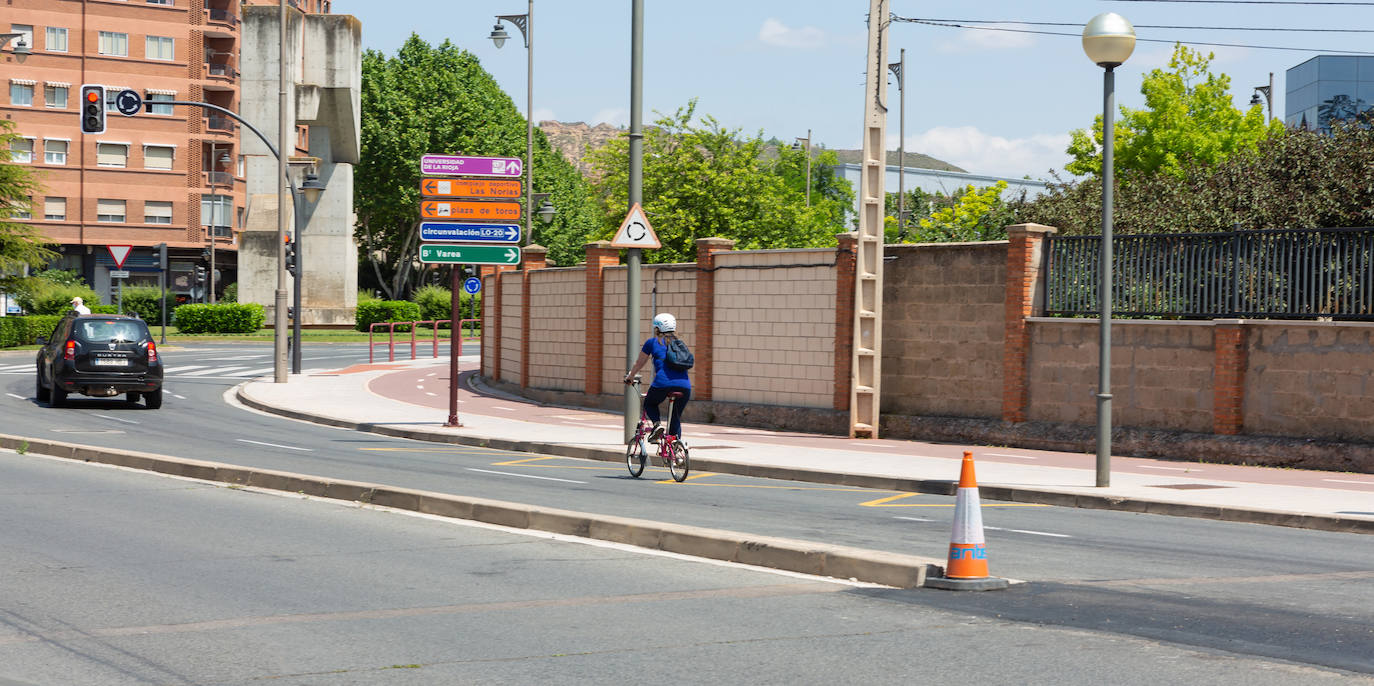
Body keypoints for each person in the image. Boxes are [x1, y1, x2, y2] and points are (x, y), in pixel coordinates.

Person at [624, 312, 691, 444]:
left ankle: (656, 425)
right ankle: (675, 448)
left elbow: (639, 363)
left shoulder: (652, 342)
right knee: (675, 416)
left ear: (657, 328)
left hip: (663, 382)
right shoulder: (680, 343)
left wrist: (630, 376)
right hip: (685, 386)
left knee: (650, 403)